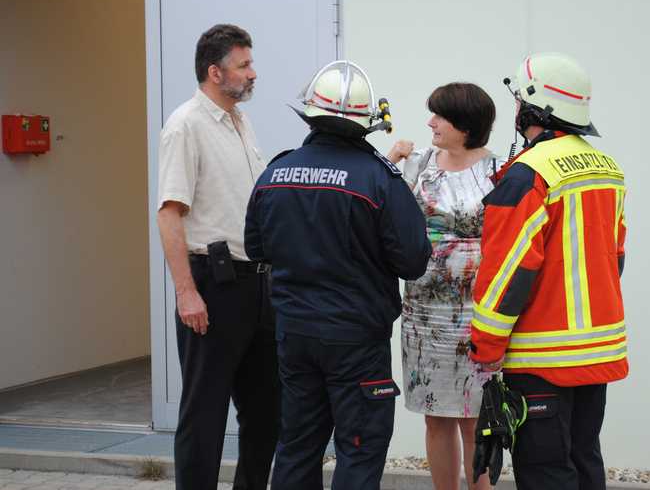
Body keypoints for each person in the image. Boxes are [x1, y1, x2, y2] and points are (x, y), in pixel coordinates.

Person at [244, 60, 432, 490]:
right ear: (367, 122)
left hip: (293, 334)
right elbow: (413, 261)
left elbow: (256, 248)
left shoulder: (276, 172)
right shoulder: (380, 179)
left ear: (310, 113)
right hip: (355, 339)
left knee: (296, 446)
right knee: (359, 448)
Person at [468, 53, 628, 490]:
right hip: (596, 354)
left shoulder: (529, 174)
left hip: (543, 358)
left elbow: (508, 272)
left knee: (545, 473)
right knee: (584, 461)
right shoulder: (606, 168)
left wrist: (486, 346)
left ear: (532, 108)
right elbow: (615, 259)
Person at [156, 24, 280, 490]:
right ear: (215, 72)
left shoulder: (240, 122)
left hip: (258, 285)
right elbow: (169, 215)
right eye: (243, 65)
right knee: (204, 414)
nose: (253, 73)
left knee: (267, 411)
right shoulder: (185, 125)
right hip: (212, 283)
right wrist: (186, 293)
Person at [387, 82, 500, 490]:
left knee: (474, 416)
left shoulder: (500, 170)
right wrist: (390, 160)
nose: (430, 122)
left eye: (439, 115)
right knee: (435, 415)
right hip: (424, 313)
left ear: (465, 125)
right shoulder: (420, 163)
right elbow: (381, 204)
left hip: (476, 314)